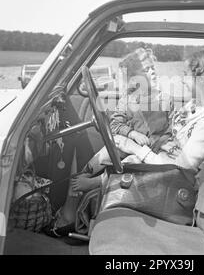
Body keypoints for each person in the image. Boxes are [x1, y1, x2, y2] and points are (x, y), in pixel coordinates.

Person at [45, 47, 174, 237]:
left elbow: (170, 131)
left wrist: (159, 142)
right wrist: (132, 134)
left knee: (132, 163)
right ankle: (74, 200)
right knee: (105, 152)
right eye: (146, 70)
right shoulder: (129, 100)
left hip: (149, 155)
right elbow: (115, 125)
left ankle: (94, 183)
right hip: (130, 147)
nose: (152, 72)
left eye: (152, 68)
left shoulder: (165, 100)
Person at [114, 49, 204, 172]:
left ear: (203, 79)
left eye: (186, 75)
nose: (182, 80)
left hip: (173, 175)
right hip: (161, 155)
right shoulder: (197, 103)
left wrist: (135, 148)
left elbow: (181, 167)